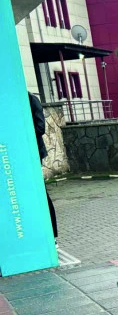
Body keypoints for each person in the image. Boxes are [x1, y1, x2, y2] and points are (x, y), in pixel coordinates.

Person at [29, 91, 57, 241]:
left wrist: (21, 135)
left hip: (33, 153)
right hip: (18, 156)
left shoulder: (31, 99)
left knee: (41, 192)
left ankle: (53, 235)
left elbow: (40, 128)